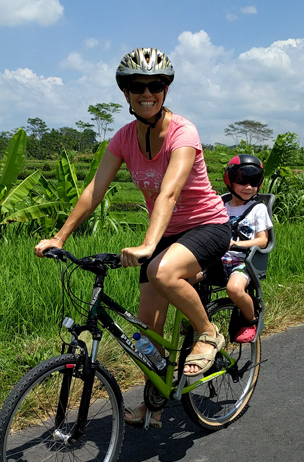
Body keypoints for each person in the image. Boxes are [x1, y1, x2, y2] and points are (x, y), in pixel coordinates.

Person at [34, 48, 231, 428]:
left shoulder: (183, 133)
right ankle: (154, 403)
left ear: (166, 89)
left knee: (161, 271)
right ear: (125, 92)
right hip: (166, 232)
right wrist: (60, 236)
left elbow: (170, 194)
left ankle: (208, 332)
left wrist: (146, 245)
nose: (147, 92)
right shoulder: (124, 138)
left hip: (206, 226)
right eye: (137, 86)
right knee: (147, 333)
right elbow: (95, 189)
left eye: (155, 85)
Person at [218, 154, 273, 343]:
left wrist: (236, 244)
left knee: (234, 289)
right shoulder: (220, 206)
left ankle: (251, 319)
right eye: (242, 181)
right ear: (230, 181)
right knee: (183, 278)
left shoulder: (258, 209)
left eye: (254, 182)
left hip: (243, 262)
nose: (248, 187)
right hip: (217, 259)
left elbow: (262, 241)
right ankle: (194, 320)